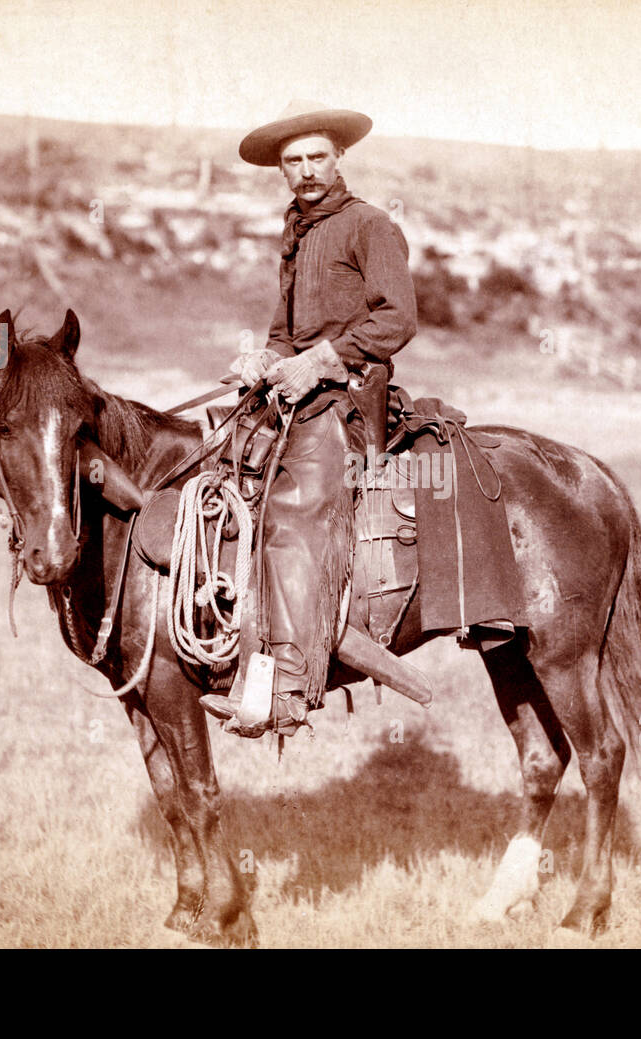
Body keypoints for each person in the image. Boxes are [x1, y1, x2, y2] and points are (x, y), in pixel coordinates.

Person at [199, 100, 418, 738]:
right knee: (220, 475)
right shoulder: (297, 231)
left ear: (339, 158)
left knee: (295, 511)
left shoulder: (369, 226)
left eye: (316, 157)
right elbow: (283, 332)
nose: (305, 170)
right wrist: (263, 360)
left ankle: (290, 685)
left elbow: (397, 319)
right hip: (300, 395)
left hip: (349, 401)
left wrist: (321, 360)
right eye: (292, 162)